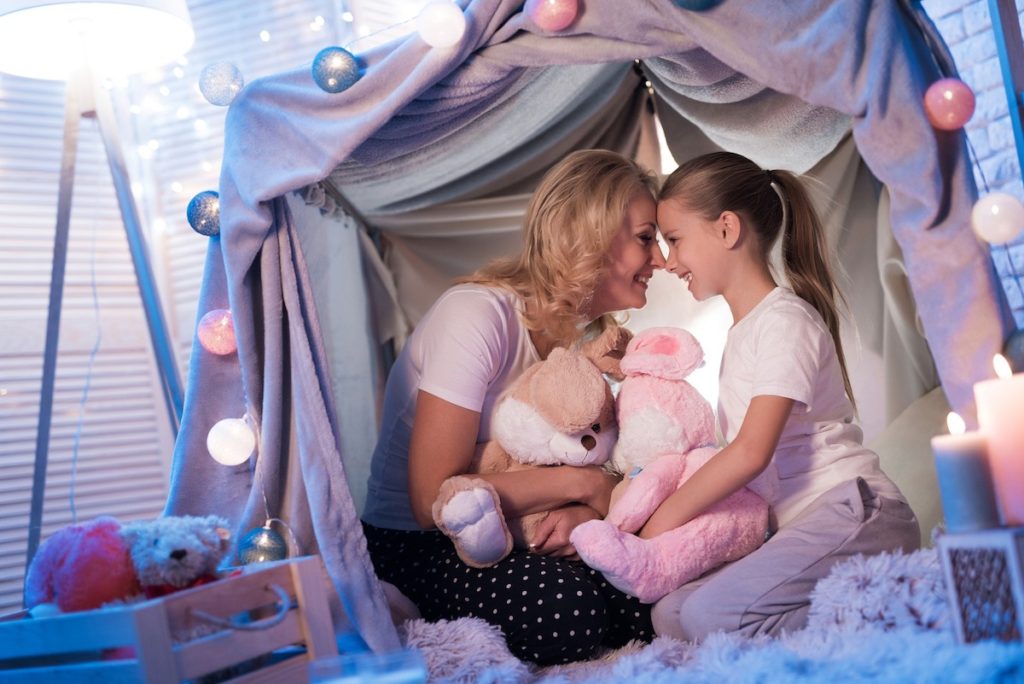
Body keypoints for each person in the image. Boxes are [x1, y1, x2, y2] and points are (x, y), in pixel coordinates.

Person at [361, 149, 665, 665]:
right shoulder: (478, 317)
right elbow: (430, 499)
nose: (658, 258)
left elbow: (596, 461)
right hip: (417, 542)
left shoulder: (586, 343)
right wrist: (585, 489)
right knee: (568, 615)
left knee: (649, 598)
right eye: (644, 238)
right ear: (591, 237)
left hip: (524, 524)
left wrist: (580, 512)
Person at [638, 151, 918, 640]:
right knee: (670, 615)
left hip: (855, 511)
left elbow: (749, 452)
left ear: (727, 229)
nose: (668, 261)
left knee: (709, 619)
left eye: (675, 240)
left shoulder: (784, 321)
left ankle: (888, 602)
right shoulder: (744, 332)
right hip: (799, 527)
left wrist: (657, 526)